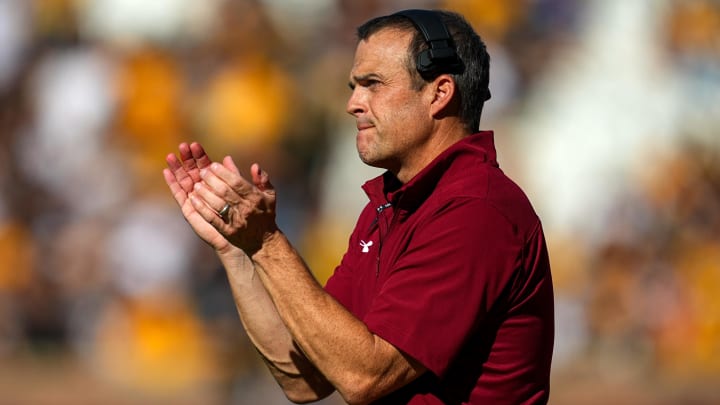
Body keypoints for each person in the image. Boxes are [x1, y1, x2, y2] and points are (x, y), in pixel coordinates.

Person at [163, 9, 554, 405]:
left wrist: (267, 243)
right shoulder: (391, 204)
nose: (353, 103)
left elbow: (364, 376)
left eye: (373, 84)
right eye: (354, 86)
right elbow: (305, 378)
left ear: (439, 93)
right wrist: (239, 249)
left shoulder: (475, 210)